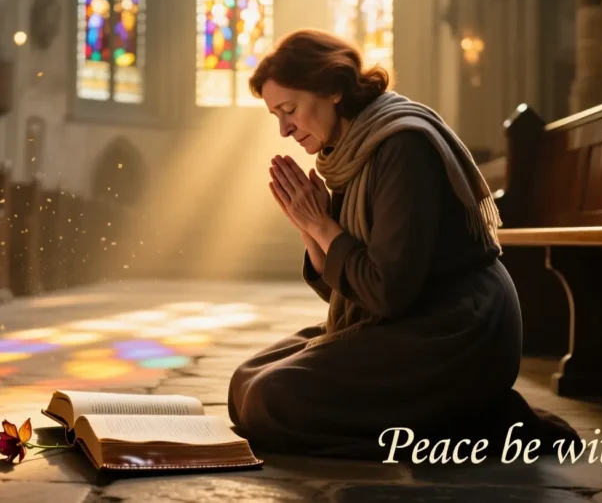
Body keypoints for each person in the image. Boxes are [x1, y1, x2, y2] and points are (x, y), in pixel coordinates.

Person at [227, 29, 579, 459]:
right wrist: (309, 225)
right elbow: (348, 288)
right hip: (409, 317)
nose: (284, 129)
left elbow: (386, 292)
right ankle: (448, 415)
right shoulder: (349, 150)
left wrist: (321, 224)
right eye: (276, 116)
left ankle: (482, 423)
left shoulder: (401, 145)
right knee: (245, 380)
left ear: (333, 89)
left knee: (270, 398)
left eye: (289, 110)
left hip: (457, 330)